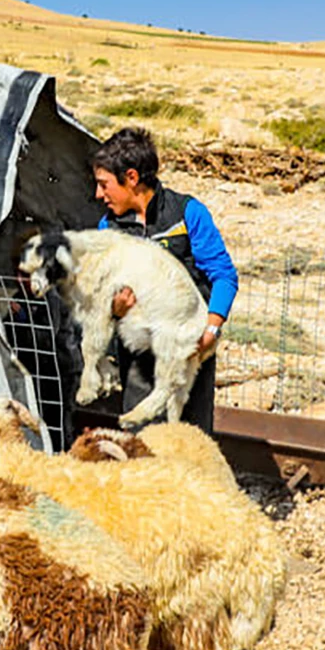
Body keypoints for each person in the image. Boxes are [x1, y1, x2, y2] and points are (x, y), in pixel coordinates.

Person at [89, 126, 238, 432]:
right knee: (144, 444)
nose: (98, 195)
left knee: (191, 440)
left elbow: (223, 274)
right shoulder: (109, 229)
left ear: (131, 178)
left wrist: (211, 327)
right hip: (140, 363)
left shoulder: (188, 214)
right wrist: (113, 309)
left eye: (104, 185)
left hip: (192, 351)